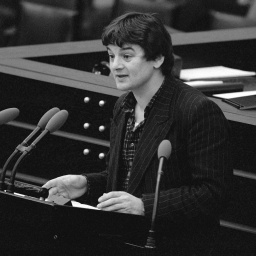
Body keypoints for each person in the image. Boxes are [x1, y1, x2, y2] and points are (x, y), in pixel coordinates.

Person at [43, 12, 233, 255]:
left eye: (127, 56)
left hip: (176, 245)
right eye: (111, 56)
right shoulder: (123, 105)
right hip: (124, 239)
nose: (115, 66)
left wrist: (145, 206)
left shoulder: (197, 110)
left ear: (157, 58)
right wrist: (86, 184)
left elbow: (213, 193)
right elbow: (130, 176)